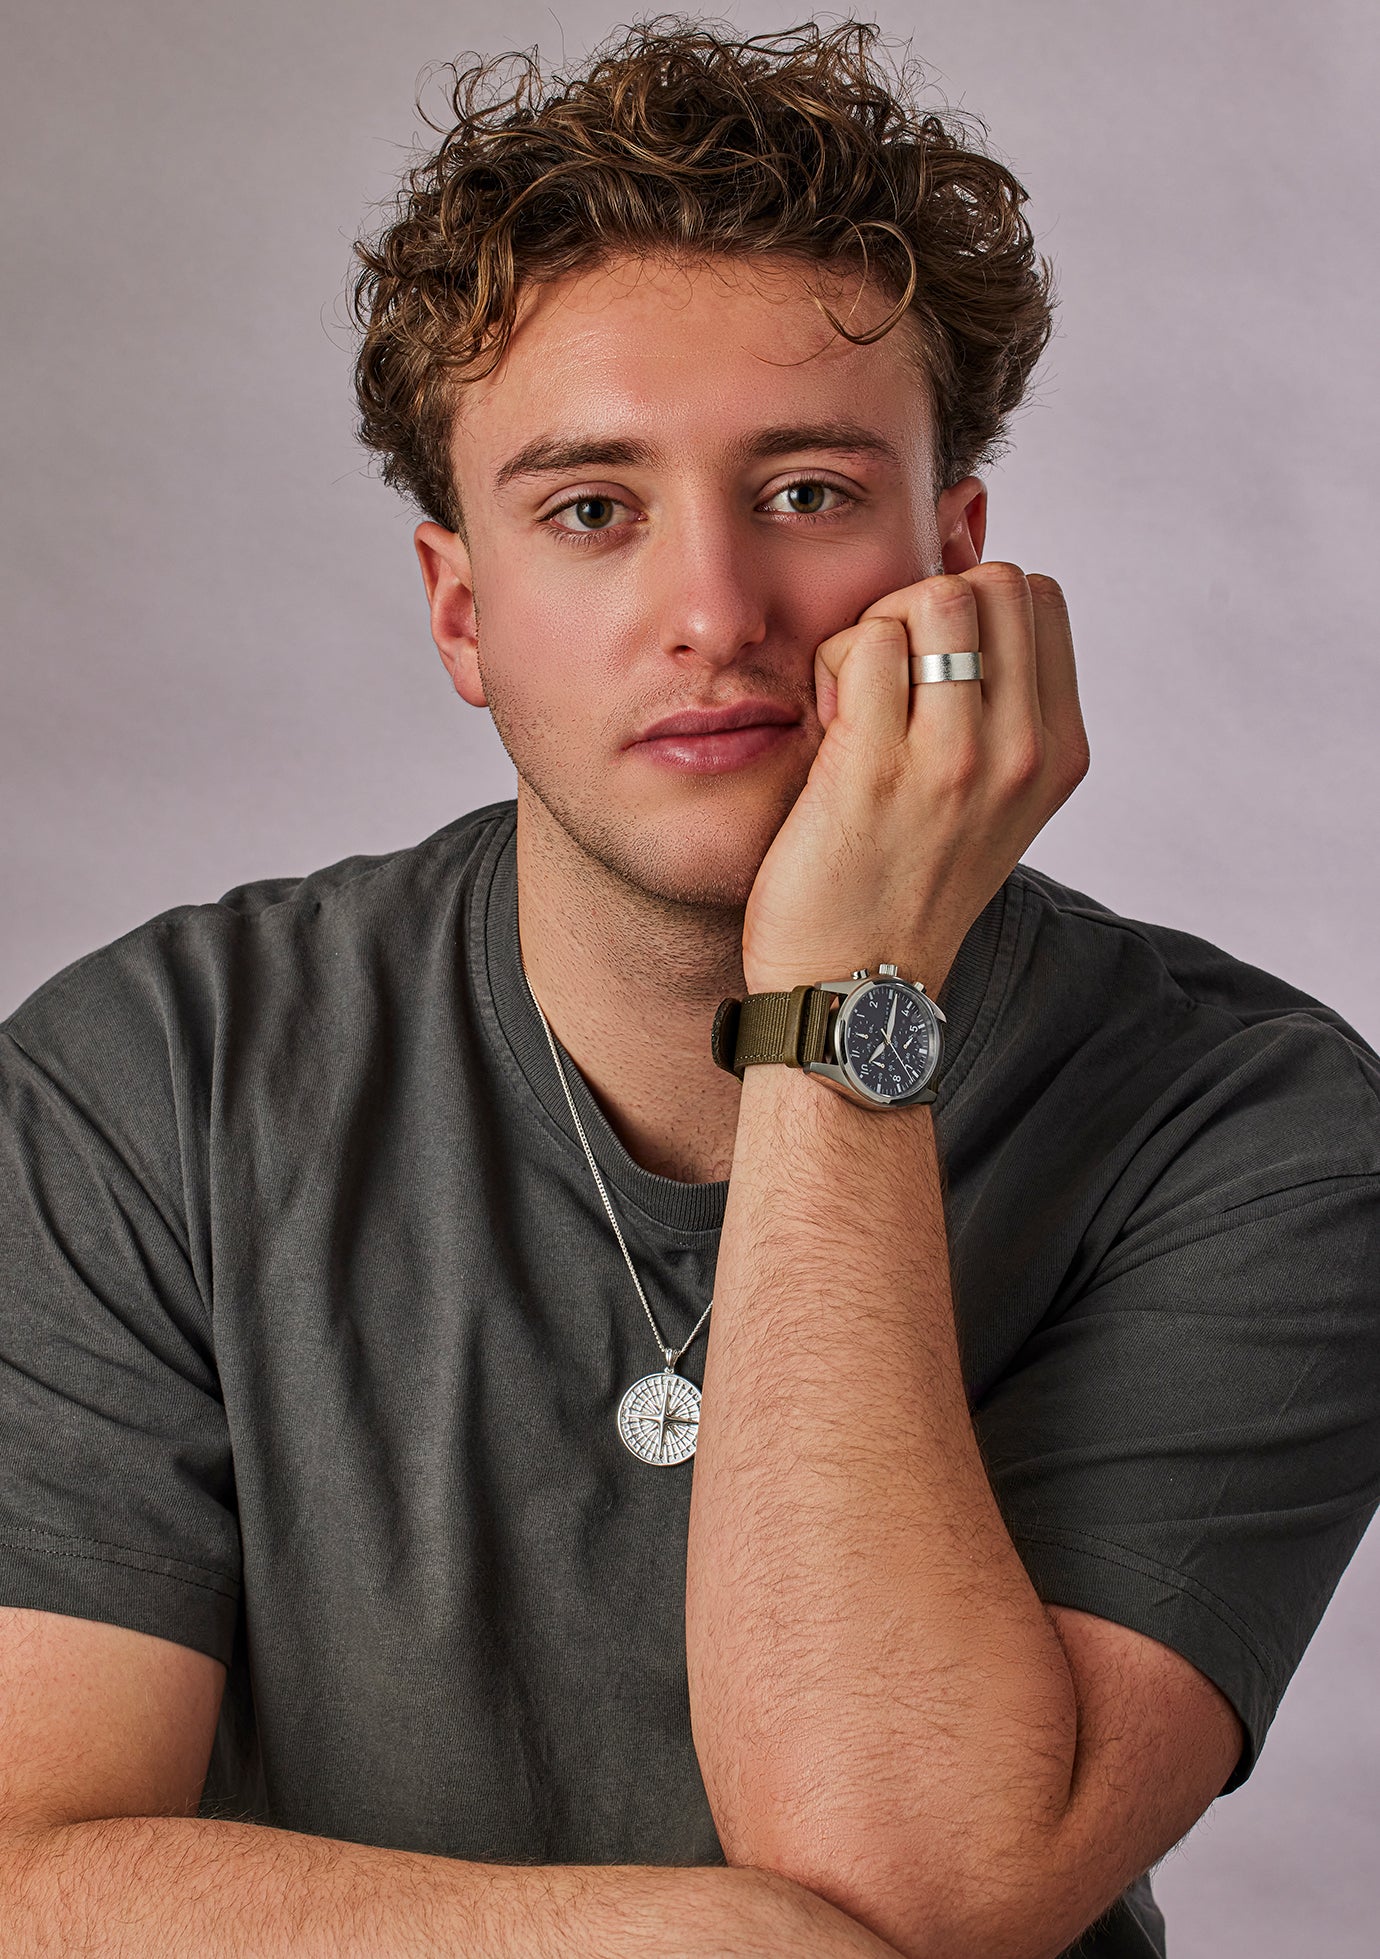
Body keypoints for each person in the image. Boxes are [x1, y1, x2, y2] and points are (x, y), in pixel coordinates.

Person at [1, 18, 1376, 1958]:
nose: (717, 609)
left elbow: (921, 1879)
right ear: (460, 606)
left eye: (808, 490)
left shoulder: (1254, 1127)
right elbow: (24, 1866)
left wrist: (841, 999)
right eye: (591, 507)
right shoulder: (143, 1081)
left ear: (953, 554)